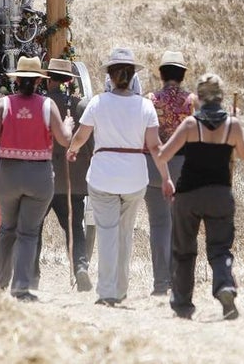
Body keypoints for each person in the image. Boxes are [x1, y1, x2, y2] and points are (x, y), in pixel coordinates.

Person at [67, 47, 171, 307]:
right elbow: (155, 147)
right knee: (125, 234)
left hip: (103, 176)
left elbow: (81, 135)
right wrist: (166, 177)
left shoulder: (98, 103)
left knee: (107, 233)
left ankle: (107, 290)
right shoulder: (146, 106)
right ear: (132, 75)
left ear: (111, 77)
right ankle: (121, 288)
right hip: (135, 177)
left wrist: (72, 150)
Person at [0, 56, 73, 301]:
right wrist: (69, 125)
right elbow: (64, 139)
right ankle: (20, 286)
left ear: (17, 80)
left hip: (8, 174)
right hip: (39, 175)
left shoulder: (4, 104)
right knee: (29, 232)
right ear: (39, 81)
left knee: (7, 227)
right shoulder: (47, 105)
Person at [156, 73, 244, 320]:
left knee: (185, 251)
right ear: (221, 97)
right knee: (220, 249)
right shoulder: (232, 125)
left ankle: (183, 304)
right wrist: (233, 133)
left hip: (188, 195)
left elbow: (164, 155)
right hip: (220, 193)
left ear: (198, 98)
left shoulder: (189, 125)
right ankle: (225, 287)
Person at [31, 58, 93, 292]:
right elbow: (89, 143)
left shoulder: (42, 105)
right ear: (69, 80)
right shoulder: (81, 106)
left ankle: (33, 274)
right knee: (75, 227)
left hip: (43, 176)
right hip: (72, 178)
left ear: (49, 81)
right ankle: (80, 267)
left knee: (34, 226)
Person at [144, 50, 193, 295]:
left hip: (153, 166)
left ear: (161, 74)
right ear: (183, 75)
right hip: (183, 168)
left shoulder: (151, 99)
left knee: (158, 225)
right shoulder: (191, 101)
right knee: (178, 226)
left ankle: (160, 283)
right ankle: (176, 279)